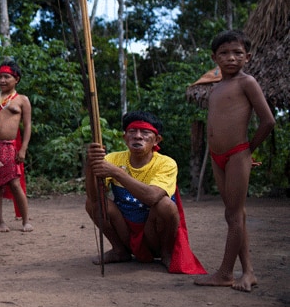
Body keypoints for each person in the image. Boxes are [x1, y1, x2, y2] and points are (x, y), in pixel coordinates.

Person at [194, 30, 275, 292]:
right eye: (225, 53)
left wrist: (247, 150)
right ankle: (248, 272)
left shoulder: (247, 82)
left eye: (237, 53)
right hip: (219, 157)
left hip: (237, 153)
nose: (231, 58)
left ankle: (225, 273)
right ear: (214, 57)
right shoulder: (216, 87)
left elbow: (268, 121)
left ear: (247, 57)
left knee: (233, 215)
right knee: (234, 215)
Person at [85, 111, 207, 275]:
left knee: (166, 205)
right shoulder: (113, 159)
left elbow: (152, 197)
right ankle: (119, 250)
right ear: (125, 137)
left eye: (145, 132)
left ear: (157, 140)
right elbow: (94, 198)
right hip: (125, 229)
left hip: (154, 233)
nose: (138, 136)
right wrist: (90, 164)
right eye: (132, 131)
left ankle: (165, 253)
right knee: (95, 204)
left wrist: (117, 173)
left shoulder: (166, 163)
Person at [0, 60, 33, 232]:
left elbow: (27, 126)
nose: (2, 80)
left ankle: (25, 220)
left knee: (15, 184)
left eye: (7, 77)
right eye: (0, 77)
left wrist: (23, 148)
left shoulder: (22, 100)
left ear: (16, 79)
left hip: (10, 148)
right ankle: (0, 221)